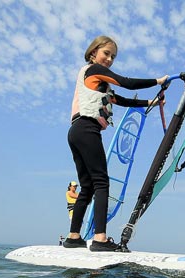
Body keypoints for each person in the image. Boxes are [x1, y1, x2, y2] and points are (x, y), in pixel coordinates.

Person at [64, 35, 169, 251]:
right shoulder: (93, 70)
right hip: (87, 129)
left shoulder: (98, 84)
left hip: (76, 131)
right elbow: (128, 83)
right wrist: (157, 81)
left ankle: (73, 237)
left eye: (113, 57)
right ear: (93, 53)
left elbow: (121, 100)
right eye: (106, 53)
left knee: (88, 186)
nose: (110, 59)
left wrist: (152, 101)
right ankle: (100, 239)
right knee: (101, 182)